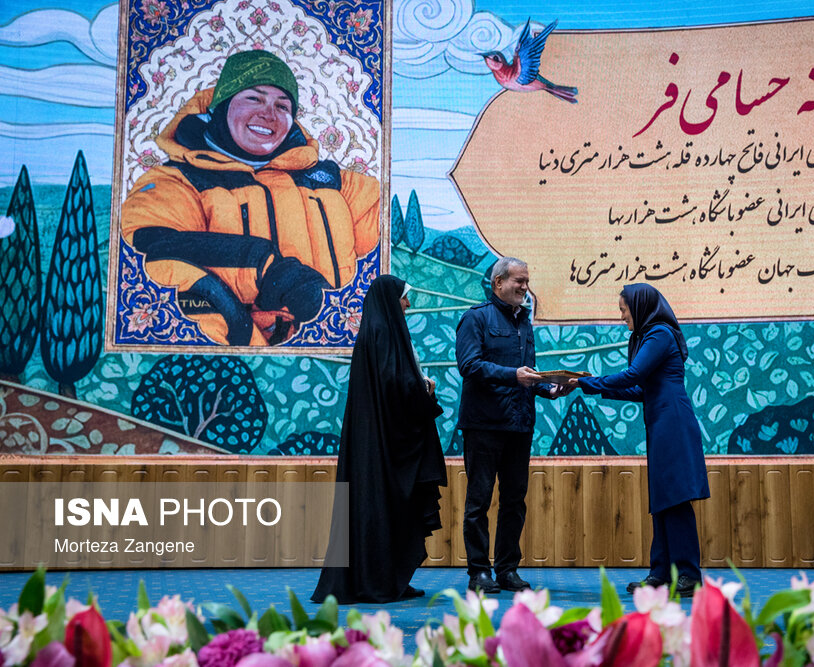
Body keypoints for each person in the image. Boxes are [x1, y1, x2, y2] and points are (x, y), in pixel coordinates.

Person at [121, 50, 380, 346]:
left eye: (282, 106)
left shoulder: (332, 182)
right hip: (239, 349)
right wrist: (261, 266)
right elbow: (152, 255)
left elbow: (383, 238)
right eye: (254, 99)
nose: (269, 114)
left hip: (330, 350)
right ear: (222, 106)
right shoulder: (177, 180)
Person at [311, 274, 446, 604]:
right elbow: (396, 386)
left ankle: (387, 580)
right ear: (390, 300)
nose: (408, 304)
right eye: (404, 297)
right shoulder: (383, 333)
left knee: (380, 510)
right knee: (383, 509)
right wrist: (424, 389)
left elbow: (392, 382)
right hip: (384, 447)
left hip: (376, 443)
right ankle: (380, 582)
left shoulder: (375, 332)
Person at [569, 283, 708, 597]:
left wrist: (586, 382)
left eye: (624, 310)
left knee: (675, 498)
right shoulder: (647, 336)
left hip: (672, 422)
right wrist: (589, 386)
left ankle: (688, 575)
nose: (622, 317)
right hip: (661, 421)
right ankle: (661, 573)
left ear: (640, 307)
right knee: (663, 498)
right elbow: (640, 390)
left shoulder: (659, 334)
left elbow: (632, 376)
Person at [455, 257, 565, 594]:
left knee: (514, 501)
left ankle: (507, 570)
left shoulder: (524, 323)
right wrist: (513, 375)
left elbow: (526, 373)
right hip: (484, 426)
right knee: (479, 501)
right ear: (498, 282)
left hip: (520, 426)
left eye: (526, 281)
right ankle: (479, 572)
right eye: (519, 280)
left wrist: (549, 388)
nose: (524, 287)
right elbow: (469, 366)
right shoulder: (475, 318)